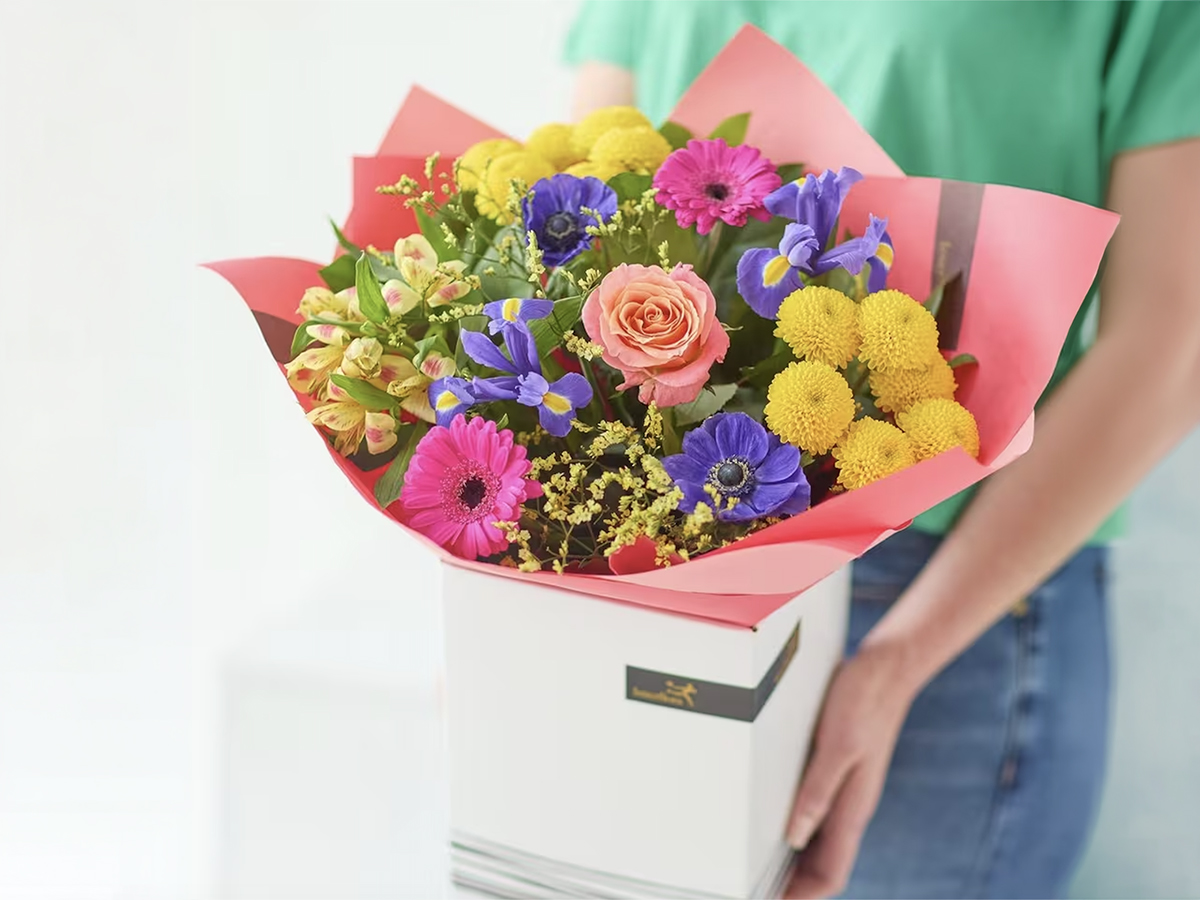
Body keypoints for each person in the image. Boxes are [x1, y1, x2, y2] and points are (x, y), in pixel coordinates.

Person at [563, 2, 1200, 898]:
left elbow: (1172, 341)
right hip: (651, 564)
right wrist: (508, 600)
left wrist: (897, 660)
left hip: (949, 599)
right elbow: (577, 199)